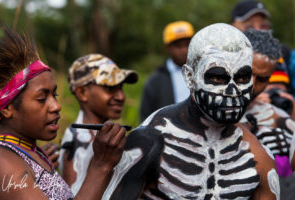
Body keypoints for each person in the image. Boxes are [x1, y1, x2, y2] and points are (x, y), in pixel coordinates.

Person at [102, 23, 279, 199]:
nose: (233, 92)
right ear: (189, 77)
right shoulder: (149, 141)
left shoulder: (258, 155)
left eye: (242, 78)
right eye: (218, 78)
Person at [0, 27, 126, 200]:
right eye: (42, 98)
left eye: (54, 95)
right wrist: (101, 166)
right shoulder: (1, 163)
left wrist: (38, 164)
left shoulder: (27, 153)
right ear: (7, 108)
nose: (56, 106)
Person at [58, 54, 138, 195]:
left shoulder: (98, 136)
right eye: (109, 87)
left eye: (121, 87)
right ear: (82, 93)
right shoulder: (80, 141)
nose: (121, 96)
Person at [238, 29, 294, 179]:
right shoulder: (207, 107)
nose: (252, 85)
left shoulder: (278, 117)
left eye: (262, 79)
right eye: (247, 75)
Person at [140, 21, 194, 121]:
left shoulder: (204, 73)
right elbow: (146, 119)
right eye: (178, 46)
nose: (183, 50)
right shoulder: (155, 82)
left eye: (187, 44)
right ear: (167, 48)